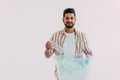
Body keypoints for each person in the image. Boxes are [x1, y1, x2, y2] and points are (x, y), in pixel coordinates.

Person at [44, 8, 93, 80]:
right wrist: (48, 50)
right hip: (61, 75)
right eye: (67, 18)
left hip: (78, 75)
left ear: (75, 19)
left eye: (71, 18)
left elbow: (89, 54)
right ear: (63, 19)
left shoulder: (82, 36)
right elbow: (48, 55)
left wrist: (85, 60)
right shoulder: (55, 35)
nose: (69, 20)